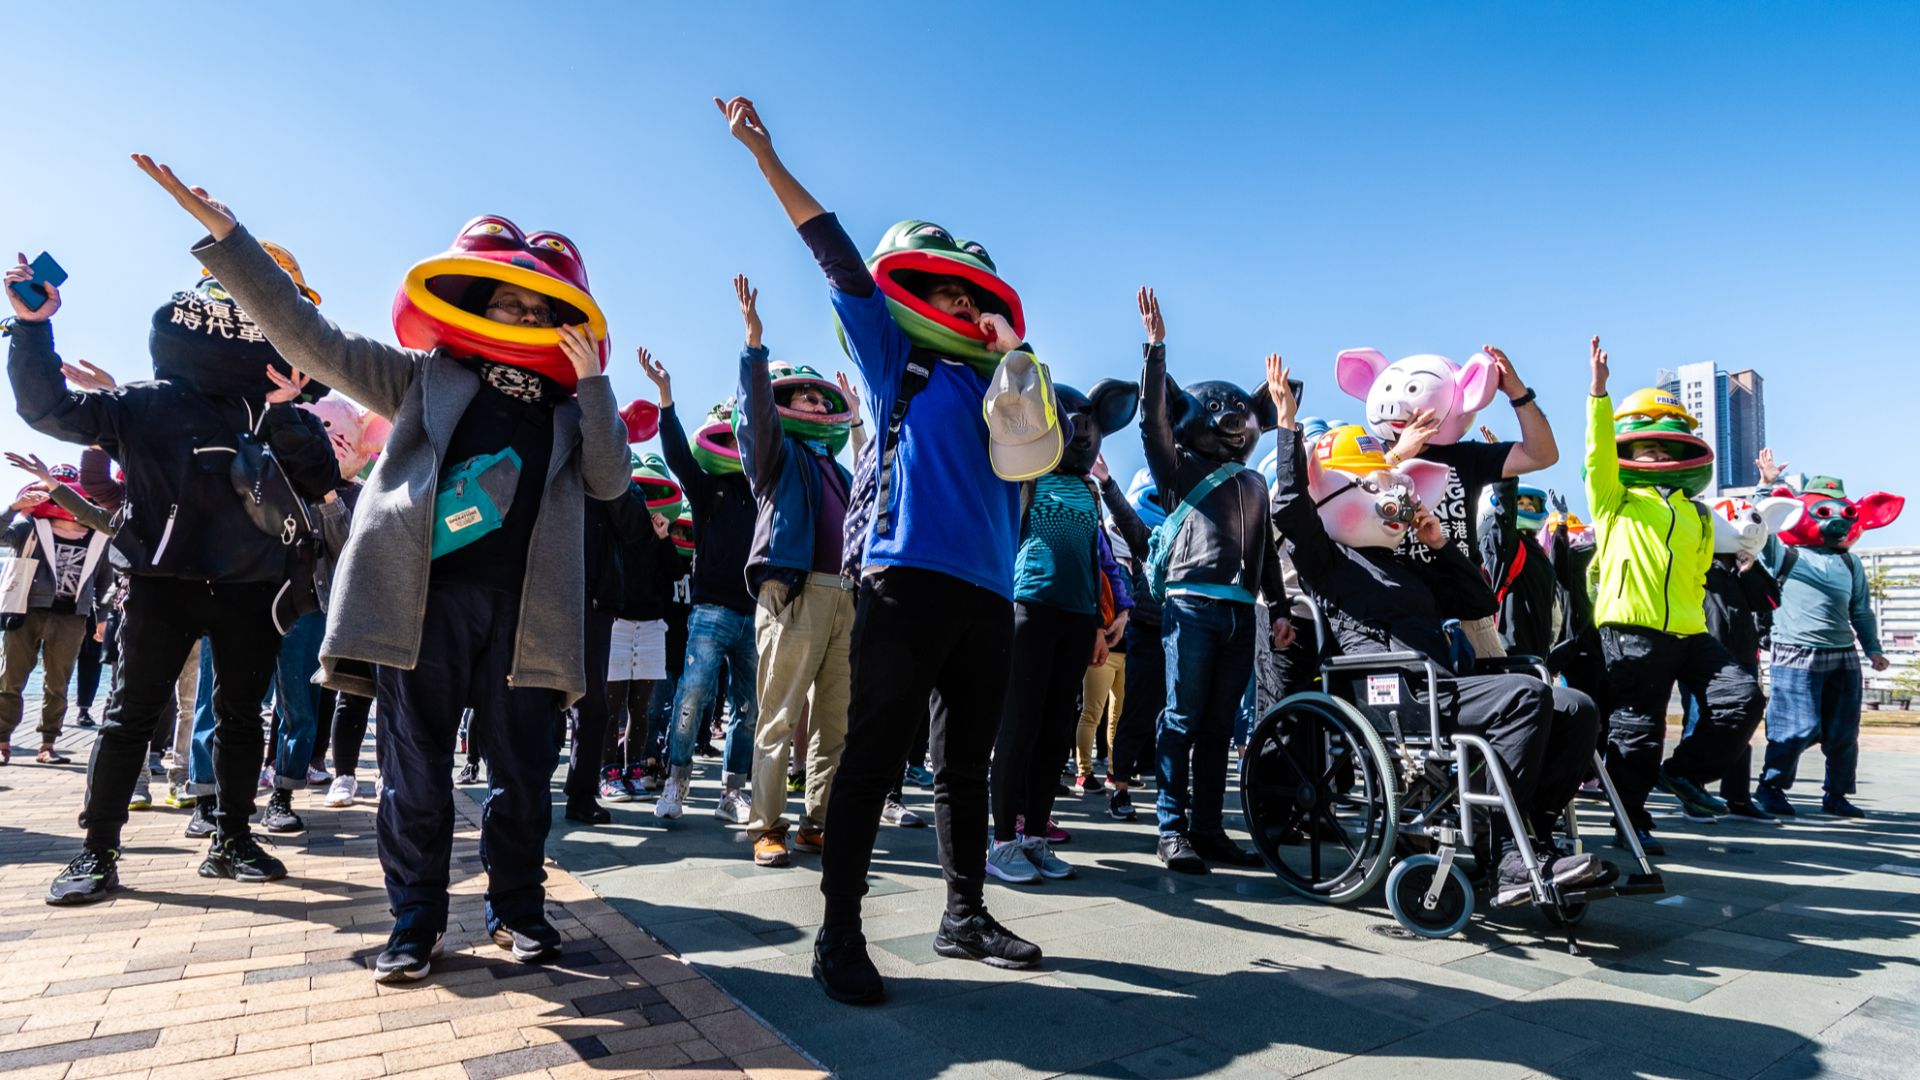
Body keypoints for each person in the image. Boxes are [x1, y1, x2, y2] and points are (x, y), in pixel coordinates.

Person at [138, 158, 629, 982]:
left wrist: (594, 384)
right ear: (478, 303)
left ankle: (518, 913)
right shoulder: (421, 377)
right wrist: (229, 239)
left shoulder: (575, 409)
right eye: (507, 299)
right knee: (414, 770)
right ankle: (416, 923)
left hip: (527, 612)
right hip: (421, 600)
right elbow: (309, 339)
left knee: (522, 775)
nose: (521, 312)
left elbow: (613, 481)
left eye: (538, 305)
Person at [719, 93, 1042, 1004]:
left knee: (964, 766)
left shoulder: (1003, 388)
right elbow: (833, 252)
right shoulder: (896, 355)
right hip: (901, 578)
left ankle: (964, 914)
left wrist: (1012, 353)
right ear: (916, 297)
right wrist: (765, 156)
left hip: (988, 591)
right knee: (868, 757)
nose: (961, 305)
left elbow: (1037, 450)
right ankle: (840, 932)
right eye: (948, 292)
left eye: (973, 297)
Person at [9, 232, 337, 903]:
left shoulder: (267, 411)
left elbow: (319, 477)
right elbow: (50, 410)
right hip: (159, 585)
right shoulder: (142, 402)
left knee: (243, 717)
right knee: (129, 716)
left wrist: (287, 410)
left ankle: (232, 838)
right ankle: (95, 853)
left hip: (252, 586)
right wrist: (33, 330)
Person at [1264, 357, 1607, 906]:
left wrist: (1439, 542)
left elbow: (1474, 600)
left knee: (1575, 707)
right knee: (1524, 697)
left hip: (1437, 685)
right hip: (1391, 690)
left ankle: (1530, 839)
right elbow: (1289, 505)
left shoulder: (1406, 561)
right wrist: (1287, 426)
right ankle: (1508, 858)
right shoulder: (1326, 560)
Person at [1582, 338, 1761, 854]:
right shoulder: (1614, 499)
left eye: (1666, 448)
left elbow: (1704, 570)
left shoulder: (1696, 512)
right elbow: (1597, 454)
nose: (1657, 453)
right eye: (1646, 448)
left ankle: (1682, 775)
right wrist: (1598, 395)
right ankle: (1628, 820)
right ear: (1629, 456)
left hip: (1690, 629)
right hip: (1631, 630)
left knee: (1740, 698)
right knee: (1638, 730)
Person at [1135, 288, 1290, 874]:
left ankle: (1208, 828)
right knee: (1181, 717)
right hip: (1192, 603)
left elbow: (1267, 549)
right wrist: (1156, 351)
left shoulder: (1254, 483)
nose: (1231, 421)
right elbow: (1152, 422)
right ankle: (1171, 827)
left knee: (1220, 724)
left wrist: (1276, 606)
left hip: (1241, 609)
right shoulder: (1180, 467)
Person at [728, 276, 862, 868]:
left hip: (844, 599)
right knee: (778, 716)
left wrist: (856, 418)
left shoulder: (835, 468)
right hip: (793, 592)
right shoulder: (776, 459)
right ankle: (767, 825)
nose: (813, 404)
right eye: (802, 398)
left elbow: (877, 481)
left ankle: (818, 823)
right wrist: (754, 349)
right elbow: (756, 417)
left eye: (819, 400)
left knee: (834, 724)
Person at [989, 381, 1137, 884]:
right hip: (1028, 608)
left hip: (1077, 620)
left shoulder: (1089, 490)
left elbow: (1099, 560)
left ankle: (1033, 836)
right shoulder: (1025, 477)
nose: (1082, 434)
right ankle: (1002, 840)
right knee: (1019, 727)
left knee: (1056, 730)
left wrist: (1101, 623)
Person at [1335, 345, 1562, 658]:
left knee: (1504, 695)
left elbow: (1543, 454)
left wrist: (1518, 393)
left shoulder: (1465, 457)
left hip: (1467, 612)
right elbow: (1342, 501)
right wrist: (1401, 454)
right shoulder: (1364, 453)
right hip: (1398, 615)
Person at [640, 349, 760, 824]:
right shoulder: (708, 487)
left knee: (747, 706)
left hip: (755, 611)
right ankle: (677, 780)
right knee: (690, 694)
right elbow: (676, 457)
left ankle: (732, 792)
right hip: (710, 610)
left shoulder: (764, 485)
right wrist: (666, 398)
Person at [1754, 464, 1902, 818]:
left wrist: (1874, 649)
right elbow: (1761, 526)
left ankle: (1836, 794)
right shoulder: (1784, 554)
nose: (1836, 520)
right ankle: (1771, 787)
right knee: (1795, 726)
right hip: (1794, 652)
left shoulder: (1850, 563)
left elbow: (1861, 611)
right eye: (1824, 512)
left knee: (1843, 731)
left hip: (1843, 655)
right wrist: (1765, 485)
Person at [0, 457, 113, 765]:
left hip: (72, 616)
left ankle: (48, 744)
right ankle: (3, 740)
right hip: (25, 610)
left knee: (58, 683)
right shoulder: (28, 528)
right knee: (11, 678)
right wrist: (14, 507)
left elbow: (105, 581)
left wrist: (102, 618)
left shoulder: (98, 535)